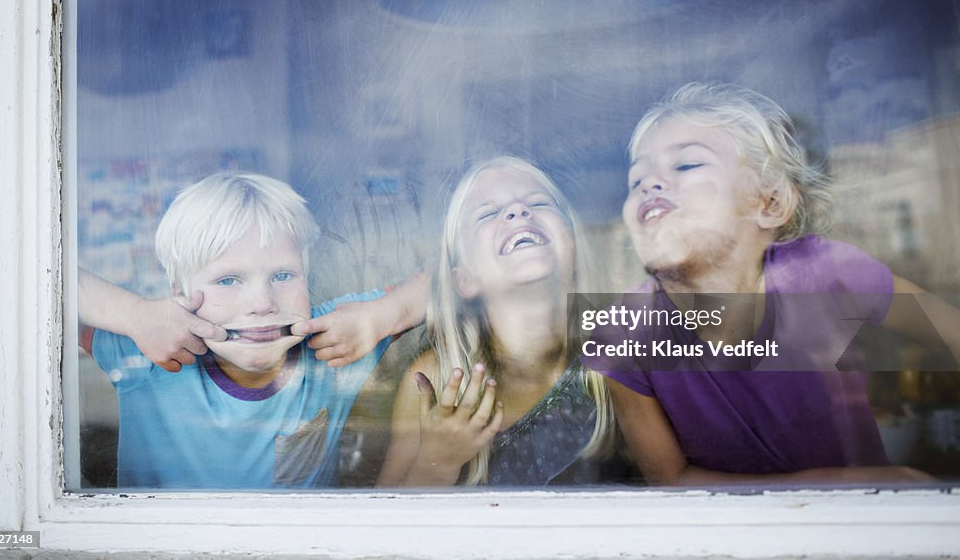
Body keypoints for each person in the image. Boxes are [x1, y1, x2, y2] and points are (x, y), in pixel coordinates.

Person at [587, 82, 960, 486]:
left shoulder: (824, 272)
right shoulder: (625, 329)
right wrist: (844, 483)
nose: (650, 184)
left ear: (770, 204)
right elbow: (671, 480)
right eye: (636, 180)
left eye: (687, 166)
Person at [79, 172, 427, 489]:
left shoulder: (333, 338)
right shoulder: (148, 350)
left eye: (282, 275)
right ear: (177, 293)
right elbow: (40, 282)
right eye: (228, 280)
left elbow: (456, 280)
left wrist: (384, 315)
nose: (262, 303)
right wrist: (134, 314)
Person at [377, 156, 617, 486]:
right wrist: (438, 460)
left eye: (538, 202)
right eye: (488, 213)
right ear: (464, 280)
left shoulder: (620, 358)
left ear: (572, 246)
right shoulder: (435, 379)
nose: (518, 211)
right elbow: (386, 523)